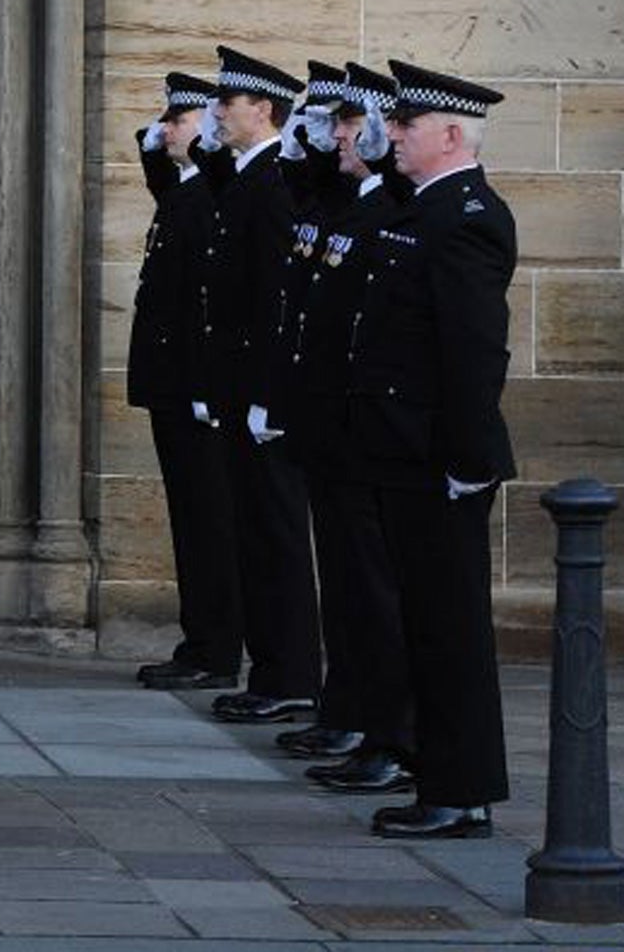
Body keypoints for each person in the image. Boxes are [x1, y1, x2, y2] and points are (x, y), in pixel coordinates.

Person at [348, 60, 517, 840]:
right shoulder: (425, 207)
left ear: (450, 134)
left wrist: (467, 462)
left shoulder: (467, 216)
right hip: (402, 454)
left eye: (408, 127)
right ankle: (436, 776)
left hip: (437, 459)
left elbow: (474, 354)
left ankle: (462, 790)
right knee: (423, 622)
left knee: (450, 630)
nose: (395, 138)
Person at [269, 64, 417, 791]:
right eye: (337, 128)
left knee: (374, 590)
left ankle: (386, 729)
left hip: (362, 429)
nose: (340, 140)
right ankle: (350, 709)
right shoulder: (343, 202)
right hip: (329, 425)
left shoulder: (387, 209)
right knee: (349, 585)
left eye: (354, 129)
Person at [196, 47, 321, 727]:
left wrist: (270, 393)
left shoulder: (273, 180)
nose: (218, 112)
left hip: (260, 388)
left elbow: (281, 297)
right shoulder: (247, 174)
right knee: (255, 531)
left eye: (228, 102)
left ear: (263, 110)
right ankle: (270, 666)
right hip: (238, 385)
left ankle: (292, 673)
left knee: (276, 533)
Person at [129, 72, 240, 693]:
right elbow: (158, 175)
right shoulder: (186, 192)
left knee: (209, 520)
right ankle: (201, 639)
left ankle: (215, 645)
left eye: (179, 117)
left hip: (195, 386)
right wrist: (157, 143)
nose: (165, 127)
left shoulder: (210, 197)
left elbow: (210, 303)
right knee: (191, 516)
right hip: (173, 382)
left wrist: (204, 384)